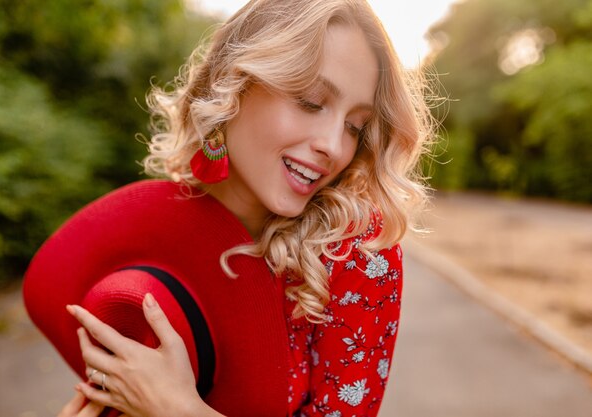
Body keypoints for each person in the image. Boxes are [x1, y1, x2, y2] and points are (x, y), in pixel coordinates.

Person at [51, 0, 434, 415]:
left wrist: (179, 409)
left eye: (354, 126)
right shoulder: (158, 227)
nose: (334, 145)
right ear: (233, 84)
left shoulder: (354, 251)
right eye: (310, 102)